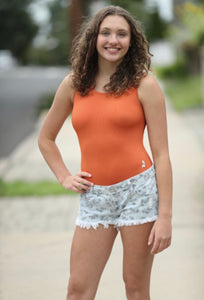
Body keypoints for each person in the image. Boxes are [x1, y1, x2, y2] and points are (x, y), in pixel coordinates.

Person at [38, 5, 172, 300]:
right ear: (93, 38)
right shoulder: (73, 84)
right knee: (77, 289)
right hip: (94, 197)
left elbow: (161, 155)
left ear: (131, 41)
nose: (114, 40)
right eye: (106, 33)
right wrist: (64, 177)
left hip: (138, 193)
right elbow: (46, 138)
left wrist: (165, 217)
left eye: (122, 34)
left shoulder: (145, 85)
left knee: (135, 288)